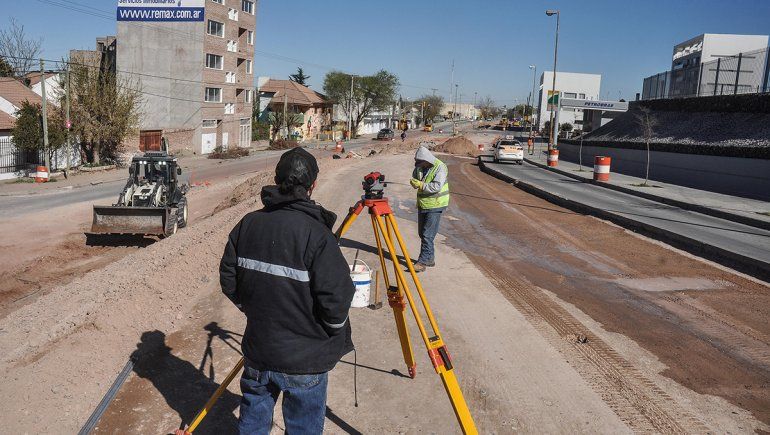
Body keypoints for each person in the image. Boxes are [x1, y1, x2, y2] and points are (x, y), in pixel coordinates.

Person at [220, 148, 355, 434]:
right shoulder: (317, 235)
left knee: (253, 423)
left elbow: (229, 280)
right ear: (312, 186)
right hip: (305, 363)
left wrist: (255, 310)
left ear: (277, 179)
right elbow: (337, 298)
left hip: (260, 352)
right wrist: (331, 329)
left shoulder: (248, 224)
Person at [409, 146, 450, 272]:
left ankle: (423, 261)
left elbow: (436, 187)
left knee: (427, 234)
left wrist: (420, 185)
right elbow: (416, 176)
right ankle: (430, 258)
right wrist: (415, 180)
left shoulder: (440, 167)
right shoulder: (421, 166)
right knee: (423, 233)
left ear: (427, 160)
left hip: (436, 204)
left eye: (420, 163)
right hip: (424, 203)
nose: (419, 166)